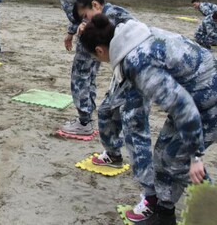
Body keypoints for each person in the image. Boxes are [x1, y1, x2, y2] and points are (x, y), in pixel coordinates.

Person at [80, 14, 217, 225]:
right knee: (162, 157)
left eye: (97, 57)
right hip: (194, 97)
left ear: (99, 50)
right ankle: (164, 214)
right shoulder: (129, 36)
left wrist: (195, 156)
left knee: (178, 161)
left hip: (208, 103)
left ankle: (210, 212)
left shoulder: (138, 63)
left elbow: (184, 106)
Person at [73, 0, 155, 222]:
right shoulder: (100, 20)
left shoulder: (119, 16)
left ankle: (152, 198)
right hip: (122, 75)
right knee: (107, 111)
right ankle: (113, 154)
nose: (85, 21)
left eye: (85, 16)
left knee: (135, 131)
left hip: (137, 75)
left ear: (96, 6)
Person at [36, 0, 98, 135]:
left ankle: (84, 123)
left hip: (92, 31)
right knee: (88, 76)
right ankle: (87, 119)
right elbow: (75, 9)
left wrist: (86, 24)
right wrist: (70, 32)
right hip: (84, 31)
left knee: (80, 75)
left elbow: (96, 0)